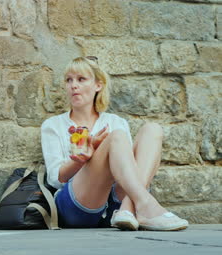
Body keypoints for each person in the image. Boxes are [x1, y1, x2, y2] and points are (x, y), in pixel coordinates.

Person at [41, 56, 188, 231]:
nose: (73, 85)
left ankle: (127, 208)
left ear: (98, 85)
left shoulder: (115, 121)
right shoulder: (53, 125)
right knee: (116, 137)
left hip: (115, 204)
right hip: (78, 205)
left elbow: (131, 170)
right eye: (69, 80)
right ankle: (146, 206)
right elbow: (55, 179)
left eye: (81, 79)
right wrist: (83, 158)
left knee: (153, 129)